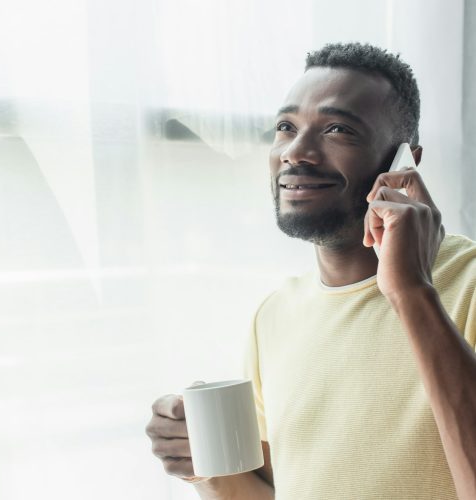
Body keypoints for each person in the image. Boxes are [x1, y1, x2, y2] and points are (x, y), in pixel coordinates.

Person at [145, 42, 476, 499]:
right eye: (285, 127)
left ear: (404, 163)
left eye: (338, 129)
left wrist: (411, 293)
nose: (295, 152)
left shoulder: (470, 288)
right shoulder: (275, 315)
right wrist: (202, 464)